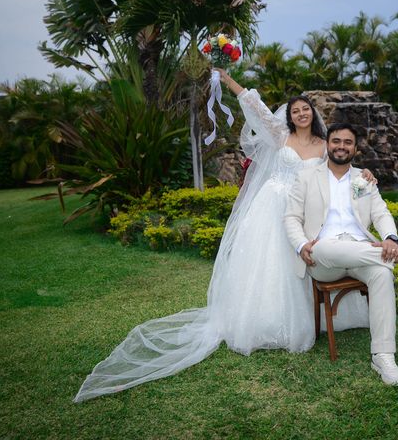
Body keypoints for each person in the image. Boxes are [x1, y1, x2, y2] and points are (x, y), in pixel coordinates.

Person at [73, 70, 372, 402]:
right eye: (295, 110)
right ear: (289, 115)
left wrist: (364, 174)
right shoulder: (279, 135)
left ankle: (311, 317)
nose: (301, 114)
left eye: (305, 109)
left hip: (305, 210)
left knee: (300, 263)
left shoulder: (323, 143)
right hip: (273, 204)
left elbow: (340, 168)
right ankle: (261, 323)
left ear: (313, 114)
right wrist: (228, 80)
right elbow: (255, 107)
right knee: (268, 263)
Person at [284, 122, 398, 386]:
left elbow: (380, 213)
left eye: (347, 142)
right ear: (327, 144)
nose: (341, 146)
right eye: (336, 141)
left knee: (382, 273)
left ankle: (383, 355)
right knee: (324, 246)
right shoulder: (307, 177)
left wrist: (390, 238)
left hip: (361, 252)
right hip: (322, 256)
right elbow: (291, 217)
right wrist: (302, 245)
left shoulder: (364, 179)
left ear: (355, 148)